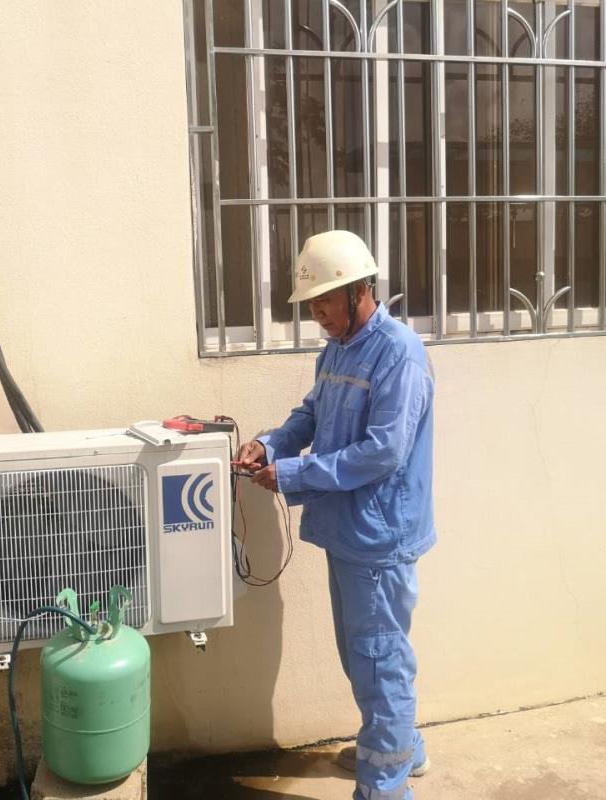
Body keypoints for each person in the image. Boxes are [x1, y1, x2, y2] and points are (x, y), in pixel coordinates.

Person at [238, 230, 435, 800]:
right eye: (312, 303)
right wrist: (269, 445)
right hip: (348, 532)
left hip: (379, 537)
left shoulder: (398, 352)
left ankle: (384, 787)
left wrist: (294, 474)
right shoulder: (339, 349)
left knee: (378, 663)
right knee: (364, 659)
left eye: (324, 300)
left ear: (359, 290)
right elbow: (312, 415)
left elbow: (383, 451)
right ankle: (399, 747)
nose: (317, 313)